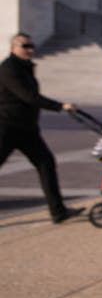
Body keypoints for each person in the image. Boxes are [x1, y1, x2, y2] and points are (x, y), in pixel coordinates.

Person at [0, 33, 83, 223]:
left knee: (46, 163)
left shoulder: (25, 68)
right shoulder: (8, 69)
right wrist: (60, 106)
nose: (30, 50)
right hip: (7, 127)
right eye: (25, 46)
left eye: (32, 46)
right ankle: (58, 210)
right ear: (13, 47)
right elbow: (28, 96)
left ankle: (58, 211)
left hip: (27, 129)